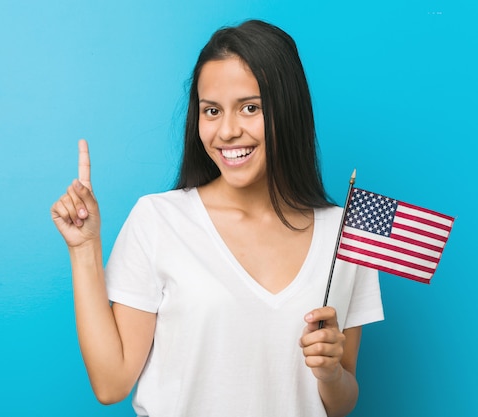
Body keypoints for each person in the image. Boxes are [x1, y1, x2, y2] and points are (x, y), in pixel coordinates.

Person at [51, 19, 383, 417]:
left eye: (250, 108)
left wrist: (331, 374)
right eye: (212, 110)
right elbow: (111, 383)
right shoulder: (159, 220)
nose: (227, 131)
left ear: (289, 110)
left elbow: (341, 403)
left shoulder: (345, 234)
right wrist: (85, 248)